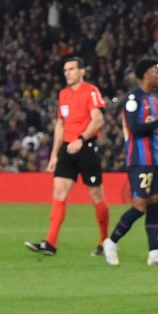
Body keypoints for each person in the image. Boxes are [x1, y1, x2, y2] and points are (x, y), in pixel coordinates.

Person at [25, 57, 110, 256]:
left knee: (96, 196)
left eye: (71, 69)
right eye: (65, 70)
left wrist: (80, 139)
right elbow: (60, 125)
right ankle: (50, 244)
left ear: (82, 72)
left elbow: (98, 120)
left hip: (86, 147)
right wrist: (54, 154)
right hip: (67, 149)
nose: (67, 73)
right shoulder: (63, 95)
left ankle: (105, 241)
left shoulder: (91, 91)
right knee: (59, 193)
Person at [102, 58, 158, 267]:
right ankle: (111, 242)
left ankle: (154, 253)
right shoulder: (132, 99)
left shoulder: (155, 101)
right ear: (146, 75)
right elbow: (134, 128)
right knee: (139, 206)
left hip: (156, 159)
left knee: (155, 202)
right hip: (139, 159)